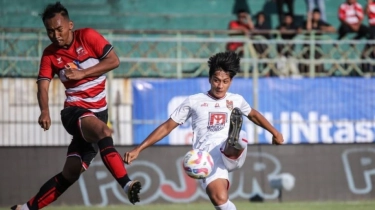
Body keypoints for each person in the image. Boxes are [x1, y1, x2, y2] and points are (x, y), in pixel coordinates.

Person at [11, 2, 141, 210]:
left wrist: (82, 73)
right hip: (73, 112)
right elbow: (43, 86)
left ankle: (25, 208)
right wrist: (44, 110)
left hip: (98, 112)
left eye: (59, 29)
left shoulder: (88, 37)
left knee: (70, 173)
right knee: (103, 131)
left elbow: (113, 61)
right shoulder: (49, 54)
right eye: (50, 31)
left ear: (70, 25)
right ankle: (126, 184)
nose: (55, 35)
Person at [124, 51, 284, 210]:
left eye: (225, 81)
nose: (220, 85)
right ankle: (234, 140)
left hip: (231, 153)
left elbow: (253, 115)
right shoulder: (194, 102)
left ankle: (234, 139)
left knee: (239, 138)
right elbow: (167, 127)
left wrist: (275, 132)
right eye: (216, 80)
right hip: (207, 158)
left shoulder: (236, 100)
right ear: (209, 79)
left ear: (231, 82)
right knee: (220, 200)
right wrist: (139, 149)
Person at [300, 8, 335, 73]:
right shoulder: (307, 22)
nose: (316, 16)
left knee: (318, 64)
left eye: (317, 15)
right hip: (307, 47)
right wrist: (309, 19)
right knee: (307, 65)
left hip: (317, 47)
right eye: (314, 14)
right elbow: (308, 29)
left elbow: (333, 29)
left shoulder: (321, 23)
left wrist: (323, 28)